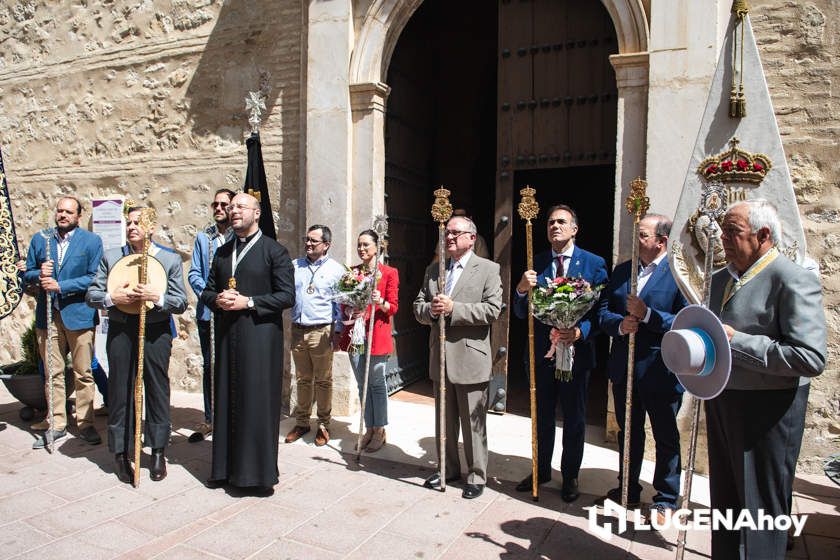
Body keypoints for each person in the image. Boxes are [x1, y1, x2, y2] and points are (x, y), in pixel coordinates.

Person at [707, 199, 826, 559]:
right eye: (723, 230)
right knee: (726, 503)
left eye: (733, 231)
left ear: (762, 235)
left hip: (768, 410)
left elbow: (810, 357)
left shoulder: (793, 278)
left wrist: (736, 342)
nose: (722, 238)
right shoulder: (720, 279)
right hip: (723, 400)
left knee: (761, 510)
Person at [199, 193, 295, 494]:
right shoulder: (223, 252)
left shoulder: (274, 251)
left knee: (255, 404)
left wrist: (248, 301)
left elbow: (287, 296)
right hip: (229, 337)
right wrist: (218, 299)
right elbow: (207, 289)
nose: (233, 211)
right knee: (227, 399)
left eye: (240, 206)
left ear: (257, 213)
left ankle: (257, 474)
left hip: (260, 340)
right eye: (231, 207)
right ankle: (225, 469)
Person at [86, 204, 188, 484]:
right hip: (121, 328)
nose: (131, 227)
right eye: (128, 223)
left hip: (156, 330)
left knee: (156, 387)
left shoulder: (168, 260)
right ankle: (120, 452)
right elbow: (92, 294)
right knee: (121, 389)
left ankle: (157, 451)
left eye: (137, 223)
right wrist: (111, 298)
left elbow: (180, 302)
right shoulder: (111, 258)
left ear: (151, 227)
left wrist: (157, 296)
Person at [513, 204, 608, 502]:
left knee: (574, 417)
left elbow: (602, 312)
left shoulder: (593, 264)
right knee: (541, 416)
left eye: (561, 222)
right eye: (551, 222)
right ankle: (541, 471)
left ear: (574, 229)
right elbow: (520, 313)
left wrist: (580, 332)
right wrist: (520, 289)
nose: (555, 226)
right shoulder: (536, 263)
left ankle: (570, 475)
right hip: (544, 354)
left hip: (577, 355)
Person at [596, 214, 687, 520]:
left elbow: (687, 322)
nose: (636, 240)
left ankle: (666, 497)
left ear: (661, 241)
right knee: (628, 432)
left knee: (665, 435)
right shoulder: (622, 272)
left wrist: (648, 315)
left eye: (643, 235)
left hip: (662, 369)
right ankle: (628, 488)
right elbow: (604, 312)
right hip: (625, 367)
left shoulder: (679, 274)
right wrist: (620, 325)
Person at [413, 215, 503, 499]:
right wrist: (431, 310)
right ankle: (447, 468)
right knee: (444, 420)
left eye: (455, 232)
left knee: (473, 423)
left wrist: (455, 309)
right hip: (439, 358)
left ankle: (477, 475)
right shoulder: (433, 269)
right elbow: (418, 306)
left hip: (471, 357)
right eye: (446, 233)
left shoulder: (488, 269)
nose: (449, 237)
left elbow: (493, 310)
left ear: (472, 238)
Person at [25, 196, 104, 449]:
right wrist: (39, 274)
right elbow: (26, 272)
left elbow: (95, 277)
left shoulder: (91, 241)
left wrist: (61, 285)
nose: (63, 215)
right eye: (60, 211)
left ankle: (85, 423)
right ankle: (56, 423)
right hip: (47, 318)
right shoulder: (41, 239)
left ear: (78, 216)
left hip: (79, 315)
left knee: (83, 373)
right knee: (53, 373)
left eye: (68, 212)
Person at [338, 229, 399, 452]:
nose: (361, 249)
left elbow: (393, 307)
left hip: (377, 335)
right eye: (359, 245)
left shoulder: (389, 273)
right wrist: (350, 307)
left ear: (377, 247)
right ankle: (369, 428)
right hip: (356, 335)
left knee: (376, 383)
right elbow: (343, 304)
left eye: (366, 245)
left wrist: (379, 300)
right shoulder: (352, 273)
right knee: (361, 382)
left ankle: (380, 429)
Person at [285, 224, 346, 447]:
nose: (308, 244)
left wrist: (338, 331)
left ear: (326, 245)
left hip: (322, 331)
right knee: (302, 379)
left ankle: (323, 424)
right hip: (298, 329)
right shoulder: (295, 266)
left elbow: (340, 303)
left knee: (323, 381)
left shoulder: (336, 270)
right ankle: (302, 422)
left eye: (314, 241)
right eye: (306, 239)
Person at [187, 188, 235, 443]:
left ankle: (231, 417)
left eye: (223, 204)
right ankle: (210, 417)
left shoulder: (238, 238)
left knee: (232, 364)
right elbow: (194, 274)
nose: (218, 208)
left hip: (233, 313)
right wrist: (211, 297)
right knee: (209, 365)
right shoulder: (203, 239)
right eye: (215, 204)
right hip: (208, 312)